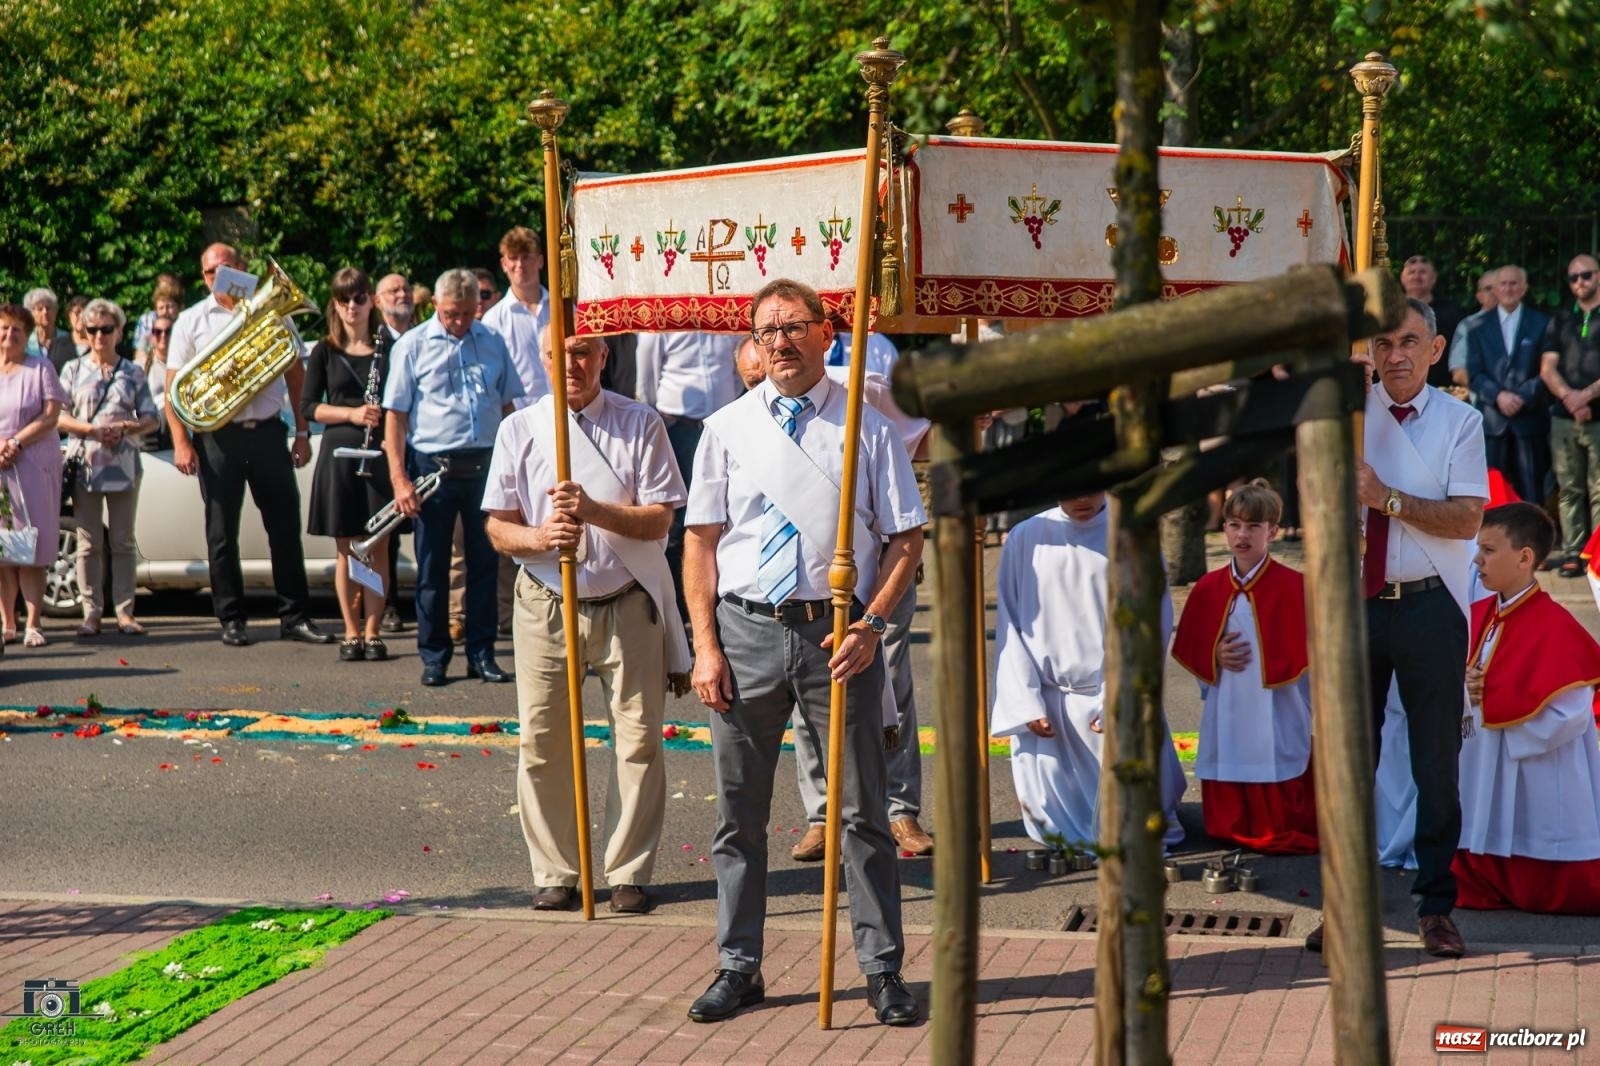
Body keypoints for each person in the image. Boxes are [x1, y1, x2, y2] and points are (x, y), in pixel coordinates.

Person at [683, 278, 923, 1027]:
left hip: (838, 635)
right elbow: (700, 543)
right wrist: (705, 646)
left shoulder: (867, 428)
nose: (781, 340)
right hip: (746, 630)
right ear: (752, 345)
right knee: (739, 816)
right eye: (767, 330)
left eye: (795, 326)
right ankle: (738, 965)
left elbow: (907, 540)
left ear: (827, 332)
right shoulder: (725, 429)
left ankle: (882, 969)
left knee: (862, 816)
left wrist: (873, 625)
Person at [1306, 298, 1488, 959]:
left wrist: (1384, 496)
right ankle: (1343, 907)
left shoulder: (1461, 423)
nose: (1397, 355)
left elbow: (1467, 520)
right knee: (1350, 763)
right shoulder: (1350, 416)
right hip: (1358, 600)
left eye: (1410, 342)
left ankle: (1435, 907)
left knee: (1435, 765)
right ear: (1372, 351)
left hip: (1429, 602)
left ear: (1435, 350)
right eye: (1385, 343)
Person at [484, 328, 687, 914]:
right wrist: (542, 536)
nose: (571, 364)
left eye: (583, 352)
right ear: (543, 359)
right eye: (559, 354)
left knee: (638, 741)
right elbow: (498, 526)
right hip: (546, 601)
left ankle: (627, 871)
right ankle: (556, 871)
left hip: (627, 600)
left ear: (603, 357)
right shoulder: (519, 427)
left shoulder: (640, 421)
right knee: (543, 743)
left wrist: (594, 512)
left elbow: (659, 522)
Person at [733, 337, 935, 860]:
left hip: (876, 579)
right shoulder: (743, 426)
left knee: (890, 688)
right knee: (805, 699)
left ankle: (899, 809)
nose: (762, 388)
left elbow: (926, 430)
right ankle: (823, 812)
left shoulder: (860, 387)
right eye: (749, 383)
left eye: (764, 376)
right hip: (798, 592)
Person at [991, 491, 1187, 854]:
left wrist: (1117, 694)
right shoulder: (1026, 537)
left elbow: (1150, 622)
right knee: (1052, 824)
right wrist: (1026, 701)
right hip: (1051, 702)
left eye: (1091, 488)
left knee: (1138, 822)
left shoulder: (1132, 533)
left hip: (1110, 694)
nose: (1081, 498)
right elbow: (1011, 623)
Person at [164, 242, 335, 648]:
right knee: (222, 533)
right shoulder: (190, 321)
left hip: (268, 433)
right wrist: (181, 442)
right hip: (217, 437)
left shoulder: (270, 310)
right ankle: (232, 619)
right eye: (208, 272)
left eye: (224, 268)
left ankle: (295, 616)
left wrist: (302, 431)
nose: (216, 277)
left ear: (242, 268)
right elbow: (175, 388)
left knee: (284, 526)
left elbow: (296, 373)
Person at [1454, 502, 1600, 914]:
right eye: (1477, 550)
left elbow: (1571, 713)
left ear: (1524, 558)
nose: (1477, 560)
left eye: (1488, 550)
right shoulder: (1479, 615)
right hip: (1485, 755)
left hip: (1537, 764)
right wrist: (1464, 689)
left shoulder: (1556, 626)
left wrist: (1493, 698)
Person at [383, 268, 523, 686]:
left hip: (484, 464)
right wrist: (399, 481)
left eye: (465, 314)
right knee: (432, 567)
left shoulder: (493, 340)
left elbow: (508, 408)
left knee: (485, 564)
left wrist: (516, 468)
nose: (458, 322)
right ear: (436, 307)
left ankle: (481, 653)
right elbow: (396, 417)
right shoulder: (413, 345)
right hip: (433, 466)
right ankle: (434, 655)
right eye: (450, 314)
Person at [1171, 479, 1316, 854]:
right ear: (1224, 530)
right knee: (1230, 745)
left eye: (1254, 526)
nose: (1243, 535)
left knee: (1278, 746)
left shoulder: (1296, 587)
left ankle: (1276, 824)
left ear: (1273, 531)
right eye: (1235, 525)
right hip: (1228, 696)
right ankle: (1228, 824)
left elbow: (1315, 652)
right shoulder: (1207, 587)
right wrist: (1213, 653)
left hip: (1281, 703)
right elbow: (1190, 643)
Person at [301, 268, 394, 662]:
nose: (352, 307)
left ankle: (373, 631)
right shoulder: (324, 350)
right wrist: (352, 415)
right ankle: (351, 631)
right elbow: (308, 407)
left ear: (371, 300)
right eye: (344, 300)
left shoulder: (388, 347)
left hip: (380, 454)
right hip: (340, 454)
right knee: (346, 549)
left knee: (378, 546)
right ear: (335, 305)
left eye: (358, 298)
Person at [57, 298, 160, 637]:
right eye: (92, 330)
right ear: (84, 332)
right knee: (88, 544)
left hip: (123, 465)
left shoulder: (132, 371)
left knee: (123, 541)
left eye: (106, 329)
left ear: (119, 331)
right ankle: (91, 613)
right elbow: (58, 416)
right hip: (86, 465)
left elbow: (151, 418)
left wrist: (127, 428)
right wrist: (91, 430)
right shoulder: (72, 369)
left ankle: (125, 612)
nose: (99, 336)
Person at [635, 331, 742, 619]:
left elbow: (736, 370)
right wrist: (660, 423)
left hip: (722, 425)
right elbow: (647, 377)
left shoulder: (724, 319)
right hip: (678, 427)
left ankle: (715, 603)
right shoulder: (660, 324)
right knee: (679, 520)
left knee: (723, 515)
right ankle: (678, 609)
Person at [0, 304, 67, 648]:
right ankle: (7, 622)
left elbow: (51, 415)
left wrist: (15, 441)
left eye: (16, 330)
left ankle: (34, 622)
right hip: (0, 465)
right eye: (4, 328)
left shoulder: (40, 367)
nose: (9, 334)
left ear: (26, 336)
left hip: (33, 465)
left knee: (30, 547)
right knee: (2, 550)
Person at [1463, 265, 1551, 505]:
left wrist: (1522, 396)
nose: (1508, 288)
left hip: (1529, 418)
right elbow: (1473, 371)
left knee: (1531, 490)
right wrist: (1498, 396)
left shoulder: (1542, 322)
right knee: (1490, 490)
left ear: (1524, 289)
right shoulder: (1477, 326)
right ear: (1494, 289)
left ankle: (1534, 540)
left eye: (1514, 283)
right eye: (1503, 284)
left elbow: (1549, 370)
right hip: (1493, 419)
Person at [1537, 255, 1600, 577]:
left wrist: (1586, 396)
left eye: (1586, 275)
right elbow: (1547, 367)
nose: (1579, 282)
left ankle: (1598, 557)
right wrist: (1571, 399)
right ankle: (1574, 553)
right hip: (1565, 417)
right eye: (1573, 277)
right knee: (1569, 489)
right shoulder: (1561, 318)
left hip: (1598, 418)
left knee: (1599, 489)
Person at [372, 271, 415, 634]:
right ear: (378, 300)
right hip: (388, 447)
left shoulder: (425, 337)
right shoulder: (375, 344)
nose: (401, 294)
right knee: (388, 533)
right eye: (393, 290)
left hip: (425, 444)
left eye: (405, 288)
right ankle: (388, 606)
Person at [1400, 255, 1463, 388]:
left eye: (1423, 272)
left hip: (1441, 389)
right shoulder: (1389, 311)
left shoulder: (1450, 312)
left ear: (1433, 278)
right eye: (1411, 272)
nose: (1417, 276)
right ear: (1402, 277)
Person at [1449, 270, 1500, 389]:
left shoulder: (1528, 323)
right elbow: (1458, 372)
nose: (1495, 292)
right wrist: (1495, 394)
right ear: (1479, 296)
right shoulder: (1468, 326)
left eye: (1499, 286)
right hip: (1483, 402)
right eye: (1488, 288)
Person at [132, 274, 184, 364]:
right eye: (161, 308)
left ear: (179, 308)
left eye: (170, 307)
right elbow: (140, 351)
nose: (165, 311)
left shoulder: (186, 321)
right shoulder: (147, 321)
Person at [22, 288, 76, 371]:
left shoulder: (68, 339)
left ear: (56, 311)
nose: (45, 312)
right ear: (30, 313)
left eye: (48, 308)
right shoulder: (24, 340)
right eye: (40, 309)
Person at [374, 273, 415, 342]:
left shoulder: (425, 338)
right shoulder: (371, 342)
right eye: (395, 291)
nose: (403, 295)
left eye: (406, 290)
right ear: (378, 301)